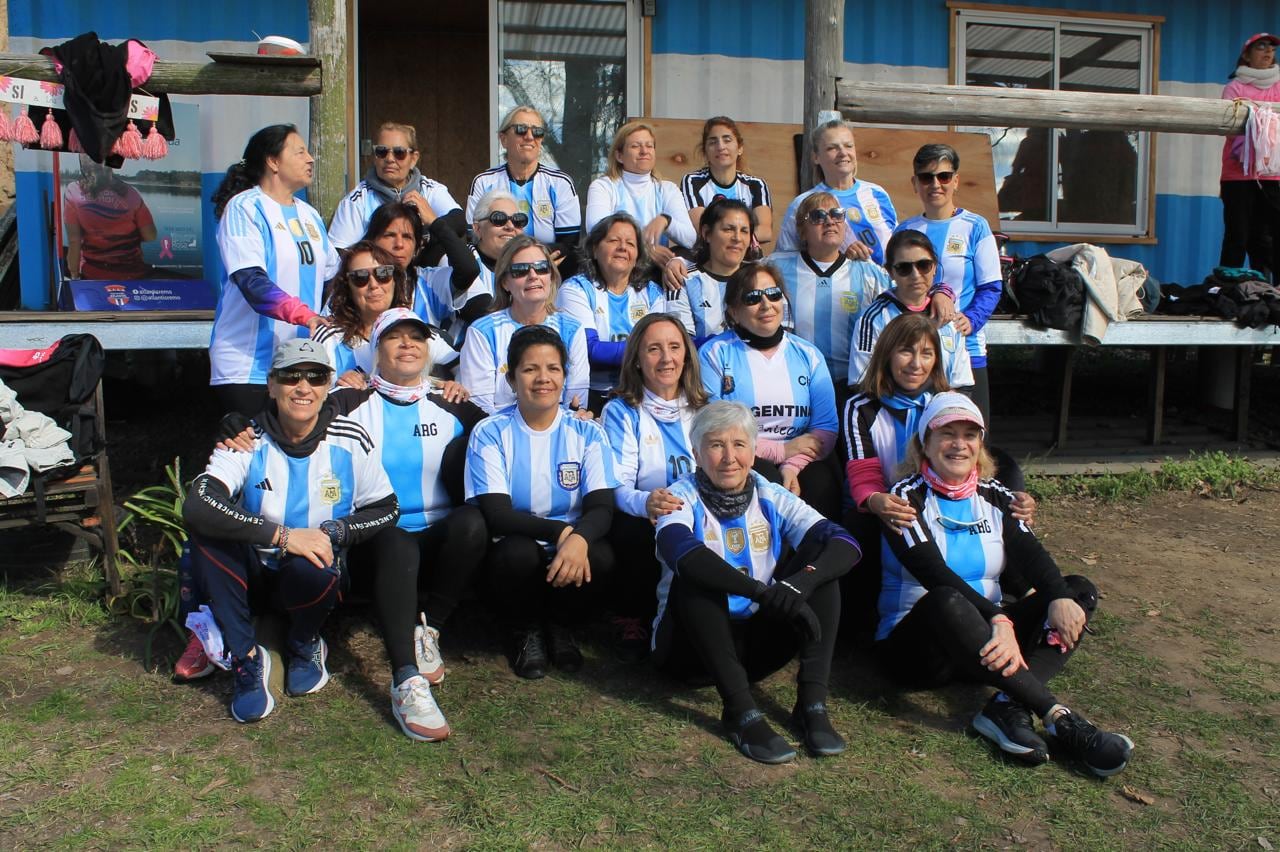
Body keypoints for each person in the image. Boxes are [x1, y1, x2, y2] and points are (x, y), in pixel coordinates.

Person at [875, 392, 1134, 776]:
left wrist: (1058, 597)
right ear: (924, 443)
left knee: (1076, 590)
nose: (959, 444)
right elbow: (933, 573)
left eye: (970, 434)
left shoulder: (996, 496)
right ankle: (1057, 715)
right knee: (946, 597)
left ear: (980, 444)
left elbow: (1032, 554)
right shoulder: (904, 498)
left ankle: (1004, 704)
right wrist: (1000, 619)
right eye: (947, 433)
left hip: (990, 647)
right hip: (921, 652)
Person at [181, 338, 399, 723]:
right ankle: (247, 660)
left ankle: (304, 643)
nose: (303, 387)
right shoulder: (246, 440)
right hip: (252, 575)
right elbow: (199, 502)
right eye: (290, 376)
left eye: (315, 376)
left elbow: (386, 508)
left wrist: (334, 531)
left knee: (312, 562)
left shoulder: (350, 437)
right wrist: (283, 536)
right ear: (271, 385)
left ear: (328, 384)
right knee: (207, 532)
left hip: (312, 574)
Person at [652, 401, 859, 763]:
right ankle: (740, 713)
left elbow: (845, 543)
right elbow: (679, 551)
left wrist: (800, 584)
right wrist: (763, 592)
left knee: (824, 570)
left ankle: (812, 704)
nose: (729, 457)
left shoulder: (770, 492)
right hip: (690, 652)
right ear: (697, 453)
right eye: (716, 445)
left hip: (754, 646)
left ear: (752, 449)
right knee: (697, 575)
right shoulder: (678, 496)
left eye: (739, 444)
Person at [343, 308, 488, 741]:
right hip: (376, 542)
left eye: (416, 337)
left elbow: (509, 434)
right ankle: (406, 677)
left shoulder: (454, 403)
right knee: (397, 543)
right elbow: (289, 430)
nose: (407, 344)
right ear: (375, 350)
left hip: (438, 544)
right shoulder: (346, 403)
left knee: (473, 521)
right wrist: (239, 427)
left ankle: (431, 625)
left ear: (428, 349)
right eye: (394, 337)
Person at [841, 314, 1034, 635]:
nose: (916, 363)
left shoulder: (948, 402)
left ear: (936, 360)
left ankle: (1021, 585)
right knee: (857, 525)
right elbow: (863, 473)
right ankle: (862, 626)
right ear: (887, 353)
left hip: (940, 500)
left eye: (926, 353)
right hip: (886, 505)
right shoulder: (860, 407)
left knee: (1008, 470)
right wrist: (877, 501)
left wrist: (1013, 501)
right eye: (906, 351)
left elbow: (974, 465)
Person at [465, 325, 618, 678]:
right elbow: (497, 514)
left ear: (565, 376)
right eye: (530, 369)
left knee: (601, 555)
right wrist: (565, 533)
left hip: (569, 544)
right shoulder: (489, 431)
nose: (542, 378)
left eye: (552, 368)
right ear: (512, 378)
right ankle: (524, 628)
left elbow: (601, 507)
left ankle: (560, 625)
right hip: (515, 548)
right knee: (518, 553)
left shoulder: (588, 431)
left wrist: (578, 539)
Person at [600, 313, 709, 661]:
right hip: (646, 513)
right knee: (628, 527)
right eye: (654, 349)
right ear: (636, 358)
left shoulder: (706, 408)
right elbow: (615, 486)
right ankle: (630, 615)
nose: (667, 358)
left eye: (675, 347)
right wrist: (647, 502)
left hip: (697, 511)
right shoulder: (621, 411)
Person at [210, 124, 340, 416]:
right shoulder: (244, 208)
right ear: (273, 161)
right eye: (300, 151)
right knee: (252, 454)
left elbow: (333, 279)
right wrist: (306, 315)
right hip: (248, 366)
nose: (311, 159)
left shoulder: (310, 215)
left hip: (301, 362)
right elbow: (251, 283)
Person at [699, 263, 842, 519]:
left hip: (801, 459)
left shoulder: (808, 354)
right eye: (752, 298)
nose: (766, 305)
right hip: (739, 458)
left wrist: (791, 465)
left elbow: (826, 429)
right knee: (766, 479)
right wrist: (780, 452)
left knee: (823, 484)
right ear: (733, 310)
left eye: (773, 294)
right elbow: (715, 429)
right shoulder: (714, 353)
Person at [896, 144, 1002, 423]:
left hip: (966, 349)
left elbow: (991, 286)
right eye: (926, 177)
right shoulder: (905, 230)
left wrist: (972, 319)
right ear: (914, 183)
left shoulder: (976, 226)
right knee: (920, 436)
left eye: (943, 176)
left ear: (955, 180)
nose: (935, 184)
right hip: (916, 354)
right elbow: (896, 285)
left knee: (972, 435)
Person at [768, 191, 892, 389]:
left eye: (836, 214)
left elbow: (908, 298)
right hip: (796, 384)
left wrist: (942, 293)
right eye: (818, 216)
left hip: (854, 386)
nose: (829, 221)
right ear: (802, 231)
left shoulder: (870, 273)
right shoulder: (775, 268)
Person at [458, 235, 590, 415]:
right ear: (505, 282)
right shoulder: (482, 332)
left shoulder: (573, 329)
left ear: (551, 277)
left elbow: (576, 403)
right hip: (500, 433)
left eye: (542, 268)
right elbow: (480, 408)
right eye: (520, 270)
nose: (533, 276)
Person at [556, 213, 668, 411]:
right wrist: (645, 351)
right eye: (614, 240)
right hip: (591, 396)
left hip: (641, 394)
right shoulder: (575, 289)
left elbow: (660, 347)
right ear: (594, 249)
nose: (623, 248)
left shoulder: (652, 292)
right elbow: (591, 351)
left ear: (638, 256)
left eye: (630, 244)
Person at [312, 242, 461, 385]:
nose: (374, 285)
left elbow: (463, 368)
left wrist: (451, 387)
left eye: (383, 273)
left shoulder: (418, 332)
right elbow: (312, 392)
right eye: (360, 277)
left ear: (395, 280)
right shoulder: (329, 337)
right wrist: (338, 387)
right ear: (347, 287)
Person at [849, 229, 972, 391]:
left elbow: (962, 385)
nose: (915, 275)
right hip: (889, 414)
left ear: (934, 267)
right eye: (903, 268)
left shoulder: (949, 317)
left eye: (924, 265)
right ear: (890, 272)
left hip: (942, 413)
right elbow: (863, 385)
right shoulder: (872, 320)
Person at [466, 106, 581, 273]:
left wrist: (531, 261)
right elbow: (475, 237)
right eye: (521, 130)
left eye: (537, 132)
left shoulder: (561, 183)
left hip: (546, 270)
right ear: (503, 139)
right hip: (494, 270)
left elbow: (569, 243)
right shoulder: (484, 182)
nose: (529, 137)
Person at [328, 121, 466, 260]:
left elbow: (459, 222)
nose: (389, 159)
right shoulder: (357, 200)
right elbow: (339, 254)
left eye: (399, 153)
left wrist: (426, 229)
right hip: (378, 275)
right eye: (381, 152)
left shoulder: (429, 189)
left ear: (413, 158)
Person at [361, 201, 485, 348]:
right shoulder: (358, 282)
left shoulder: (428, 281)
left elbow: (469, 270)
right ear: (372, 241)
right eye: (390, 235)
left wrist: (435, 223)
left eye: (407, 237)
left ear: (417, 247)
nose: (399, 244)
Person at [775, 119, 897, 265]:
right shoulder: (802, 203)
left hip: (887, 283)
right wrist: (840, 259)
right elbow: (785, 260)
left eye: (848, 146)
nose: (843, 153)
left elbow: (898, 243)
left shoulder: (877, 193)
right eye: (832, 148)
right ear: (816, 157)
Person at [585, 121, 696, 269]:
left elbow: (690, 239)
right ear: (619, 156)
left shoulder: (667, 189)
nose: (644, 151)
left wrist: (666, 221)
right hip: (614, 268)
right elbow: (596, 231)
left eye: (649, 146)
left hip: (654, 272)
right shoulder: (604, 186)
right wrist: (645, 250)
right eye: (635, 146)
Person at [1220, 33, 1280, 281]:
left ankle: (1270, 290)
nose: (1268, 52)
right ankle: (1226, 288)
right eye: (1261, 47)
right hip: (1238, 174)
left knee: (1271, 235)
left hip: (1273, 173)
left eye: (1272, 48)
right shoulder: (1234, 87)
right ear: (1246, 55)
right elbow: (1227, 124)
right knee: (1238, 234)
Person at [663, 197, 755, 344]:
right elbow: (682, 344)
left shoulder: (762, 280)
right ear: (706, 233)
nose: (737, 238)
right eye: (728, 229)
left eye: (744, 231)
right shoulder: (683, 280)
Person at [679, 116, 773, 247]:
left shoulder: (756, 185)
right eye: (713, 142)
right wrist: (743, 236)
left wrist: (733, 238)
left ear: (740, 148)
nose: (720, 147)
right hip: (708, 258)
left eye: (727, 140)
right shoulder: (692, 181)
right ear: (705, 151)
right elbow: (702, 228)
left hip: (747, 258)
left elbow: (765, 231)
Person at [63, 154, 157, 280]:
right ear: (112, 166)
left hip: (92, 275)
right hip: (132, 275)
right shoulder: (131, 193)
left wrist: (74, 274)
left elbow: (74, 241)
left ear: (84, 165)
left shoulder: (73, 191)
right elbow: (151, 236)